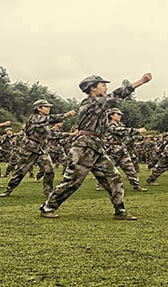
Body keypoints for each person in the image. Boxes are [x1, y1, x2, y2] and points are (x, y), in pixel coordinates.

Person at [40, 73, 152, 219]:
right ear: (93, 88)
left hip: (96, 147)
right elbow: (117, 95)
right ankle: (48, 207)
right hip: (84, 147)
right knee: (73, 181)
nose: (106, 87)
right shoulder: (92, 103)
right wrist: (141, 81)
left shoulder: (99, 106)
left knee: (114, 177)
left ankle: (120, 211)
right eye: (103, 85)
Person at [0, 100, 76, 197]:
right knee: (21, 171)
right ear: (39, 108)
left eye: (48, 107)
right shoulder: (35, 118)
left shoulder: (43, 119)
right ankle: (8, 190)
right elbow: (51, 119)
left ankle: (48, 191)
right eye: (46, 107)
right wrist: (66, 115)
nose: (48, 108)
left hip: (40, 148)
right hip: (29, 148)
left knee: (49, 170)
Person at [104, 108, 148, 191]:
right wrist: (137, 130)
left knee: (130, 168)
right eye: (118, 114)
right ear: (111, 115)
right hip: (111, 151)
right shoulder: (109, 125)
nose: (120, 116)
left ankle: (136, 186)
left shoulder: (120, 124)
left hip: (121, 149)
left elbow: (126, 135)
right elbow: (122, 131)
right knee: (108, 170)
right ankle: (101, 184)